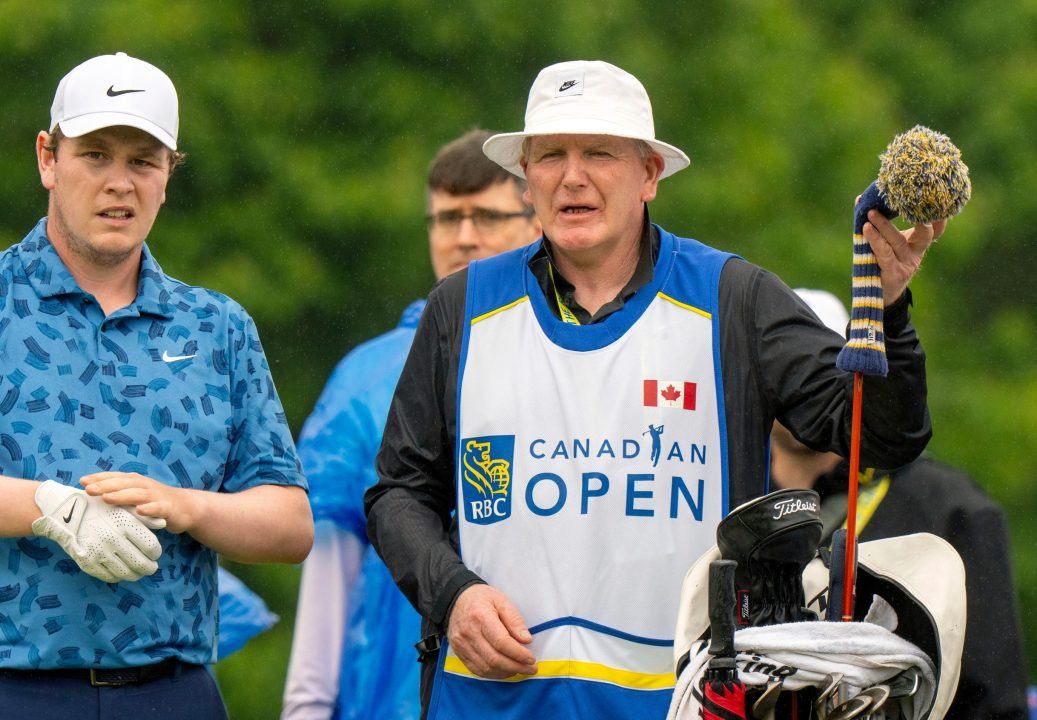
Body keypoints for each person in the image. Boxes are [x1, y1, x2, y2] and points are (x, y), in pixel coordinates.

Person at [364, 60, 944, 718]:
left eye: (598, 153)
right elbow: (398, 494)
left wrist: (888, 310)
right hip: (488, 701)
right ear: (525, 176)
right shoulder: (459, 307)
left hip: (681, 703)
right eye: (550, 154)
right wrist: (452, 594)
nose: (571, 176)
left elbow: (879, 436)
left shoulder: (734, 298)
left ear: (648, 174)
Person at [0, 52, 311, 719]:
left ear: (168, 176)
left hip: (171, 689)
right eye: (95, 156)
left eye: (142, 162)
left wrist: (185, 508)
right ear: (47, 157)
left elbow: (289, 524)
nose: (118, 183)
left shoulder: (218, 326)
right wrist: (52, 509)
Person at [281, 130, 541, 720]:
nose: (463, 237)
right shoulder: (365, 378)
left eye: (486, 216)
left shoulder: (581, 358)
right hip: (391, 700)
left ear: (537, 221)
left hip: (541, 688)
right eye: (447, 218)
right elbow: (330, 563)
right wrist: (306, 709)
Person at [772, 288, 1028, 720]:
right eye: (784, 372)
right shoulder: (717, 494)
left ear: (851, 376)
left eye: (817, 372)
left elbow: (992, 703)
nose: (801, 392)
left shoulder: (953, 510)